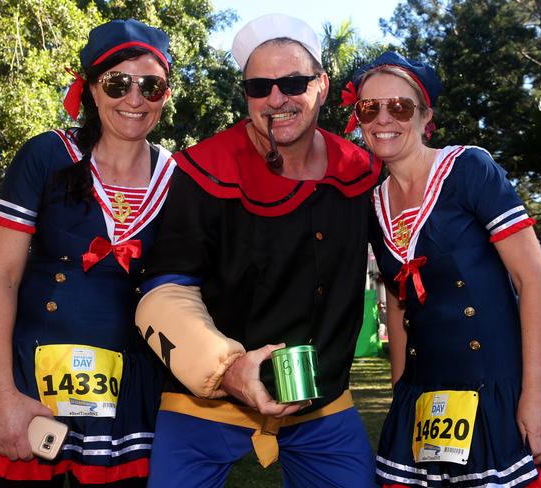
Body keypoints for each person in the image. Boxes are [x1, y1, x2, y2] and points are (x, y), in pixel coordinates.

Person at [135, 13, 381, 488]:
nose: (276, 98)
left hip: (323, 407)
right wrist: (227, 371)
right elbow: (163, 293)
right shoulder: (204, 169)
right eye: (259, 86)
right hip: (204, 406)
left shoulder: (362, 172)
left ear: (323, 85)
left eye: (293, 81)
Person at [341, 51, 541, 487]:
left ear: (424, 115)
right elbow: (399, 306)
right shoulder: (372, 204)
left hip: (500, 390)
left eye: (399, 106)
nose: (383, 119)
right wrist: (401, 395)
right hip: (427, 397)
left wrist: (536, 394)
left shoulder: (469, 168)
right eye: (369, 107)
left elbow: (531, 279)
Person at [0, 18, 176, 487]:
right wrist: (1, 395)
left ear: (165, 95)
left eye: (150, 86)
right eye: (117, 83)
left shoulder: (175, 178)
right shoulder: (47, 156)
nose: (134, 99)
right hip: (27, 378)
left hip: (125, 395)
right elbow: (0, 276)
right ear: (92, 89)